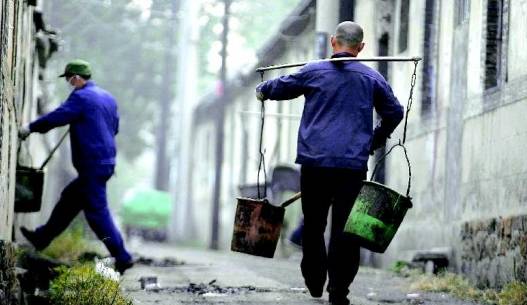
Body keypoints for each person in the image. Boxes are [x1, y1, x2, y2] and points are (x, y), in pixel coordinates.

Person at [255, 21, 404, 305]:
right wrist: (374, 140)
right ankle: (339, 291)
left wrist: (263, 88)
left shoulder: (313, 71)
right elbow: (394, 112)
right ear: (360, 48)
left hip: (315, 164)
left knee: (313, 225)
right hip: (351, 166)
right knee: (345, 231)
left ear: (333, 42)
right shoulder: (371, 78)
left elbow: (281, 87)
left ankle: (314, 279)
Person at [18, 59, 134, 274]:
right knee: (69, 200)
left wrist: (30, 128)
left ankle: (122, 256)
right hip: (105, 162)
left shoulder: (81, 97)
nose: (70, 84)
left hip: (92, 165)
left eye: (70, 79)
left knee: (97, 215)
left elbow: (58, 117)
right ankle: (41, 237)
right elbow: (114, 128)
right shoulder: (108, 98)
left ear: (77, 78)